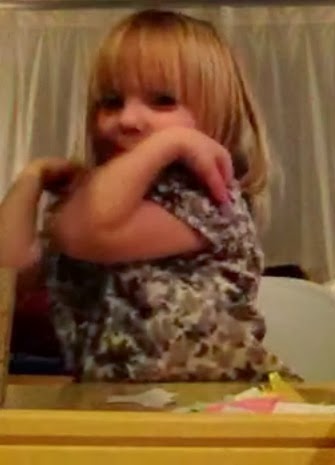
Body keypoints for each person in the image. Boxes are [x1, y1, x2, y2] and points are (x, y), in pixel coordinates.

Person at [0, 10, 301, 383]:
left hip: (218, 399)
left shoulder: (207, 200)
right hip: (121, 401)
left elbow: (83, 233)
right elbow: (9, 271)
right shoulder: (96, 203)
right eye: (112, 102)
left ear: (217, 116)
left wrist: (170, 143)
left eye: (162, 101)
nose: (127, 119)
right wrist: (30, 179)